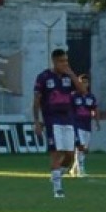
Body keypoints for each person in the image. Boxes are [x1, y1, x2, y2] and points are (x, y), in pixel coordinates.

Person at [33, 48, 87, 198]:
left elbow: (83, 91)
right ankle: (58, 189)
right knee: (56, 154)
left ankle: (56, 175)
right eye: (62, 61)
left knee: (70, 156)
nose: (65, 64)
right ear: (54, 62)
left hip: (68, 120)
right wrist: (37, 121)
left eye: (66, 61)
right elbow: (36, 101)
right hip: (52, 120)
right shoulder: (44, 77)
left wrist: (71, 74)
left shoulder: (68, 77)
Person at [71, 74, 101, 177]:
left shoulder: (91, 97)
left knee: (85, 148)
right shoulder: (74, 96)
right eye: (82, 82)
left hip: (87, 125)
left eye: (86, 82)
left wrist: (97, 122)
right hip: (77, 124)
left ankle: (74, 169)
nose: (84, 84)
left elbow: (95, 109)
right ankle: (81, 170)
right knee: (80, 147)